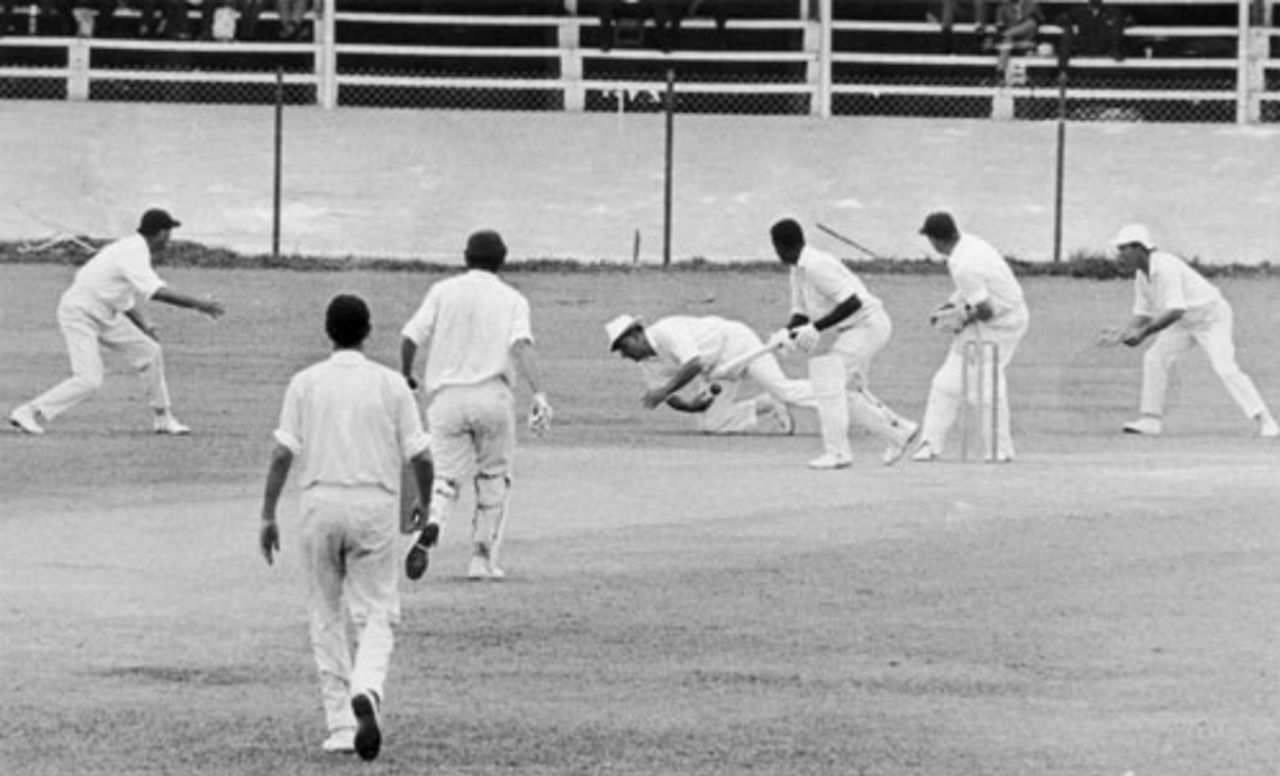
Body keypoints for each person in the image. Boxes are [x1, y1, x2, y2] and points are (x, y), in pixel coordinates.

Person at [259, 294, 435, 761]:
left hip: (319, 502)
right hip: (374, 504)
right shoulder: (391, 383)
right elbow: (421, 454)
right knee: (377, 612)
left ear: (327, 331)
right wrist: (424, 506)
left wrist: (267, 514)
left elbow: (282, 453)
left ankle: (339, 724)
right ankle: (368, 687)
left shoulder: (305, 382)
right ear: (368, 330)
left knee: (325, 612)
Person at [399, 230, 552, 582]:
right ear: (502, 260)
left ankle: (434, 522)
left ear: (465, 257)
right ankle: (482, 559)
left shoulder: (442, 291)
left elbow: (410, 337)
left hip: (446, 399)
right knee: (493, 476)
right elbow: (522, 346)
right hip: (492, 397)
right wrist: (539, 392)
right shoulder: (513, 299)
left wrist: (405, 375)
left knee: (445, 477)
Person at [8, 208, 225, 436]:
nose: (169, 239)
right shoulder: (134, 252)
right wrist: (200, 304)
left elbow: (121, 296)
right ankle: (29, 412)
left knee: (149, 351)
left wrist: (145, 325)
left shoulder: (133, 249)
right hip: (79, 313)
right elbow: (157, 292)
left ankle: (164, 419)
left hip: (105, 312)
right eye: (169, 232)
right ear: (161, 233)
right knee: (89, 379)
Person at [1097, 224, 1279, 439]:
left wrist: (1143, 334)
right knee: (1154, 357)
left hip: (1211, 318)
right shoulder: (1141, 276)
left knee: (1225, 367)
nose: (1119, 255)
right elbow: (1143, 313)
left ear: (1139, 248)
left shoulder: (1166, 267)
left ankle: (1266, 421)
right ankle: (1150, 420)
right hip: (1183, 324)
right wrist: (1122, 334)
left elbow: (1175, 309)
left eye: (1123, 249)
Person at [768, 218, 919, 470]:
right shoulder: (798, 270)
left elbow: (852, 302)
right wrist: (786, 333)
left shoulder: (816, 266)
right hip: (854, 329)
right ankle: (898, 432)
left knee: (826, 378)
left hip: (869, 325)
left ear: (781, 246)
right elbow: (801, 312)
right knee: (845, 391)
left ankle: (838, 453)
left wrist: (815, 328)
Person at [912, 212, 1029, 463]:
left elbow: (986, 311)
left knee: (985, 384)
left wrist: (959, 318)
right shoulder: (970, 243)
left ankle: (1000, 450)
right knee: (946, 383)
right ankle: (930, 444)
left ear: (935, 240)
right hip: (1001, 316)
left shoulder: (962, 265)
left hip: (1002, 324)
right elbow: (973, 289)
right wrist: (949, 305)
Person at [604, 313, 809, 435]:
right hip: (715, 371)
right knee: (712, 424)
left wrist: (664, 391)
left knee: (784, 389)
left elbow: (694, 363)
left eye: (623, 345)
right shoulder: (646, 362)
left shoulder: (666, 330)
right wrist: (689, 407)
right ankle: (769, 404)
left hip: (736, 343)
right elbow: (666, 395)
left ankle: (833, 397)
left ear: (637, 334)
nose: (624, 354)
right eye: (619, 350)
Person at [985, 0, 1042, 74]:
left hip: (1027, 39)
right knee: (1006, 41)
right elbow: (999, 26)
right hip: (1012, 41)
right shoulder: (1002, 7)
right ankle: (1000, 73)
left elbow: (1040, 20)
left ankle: (999, 73)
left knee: (1031, 23)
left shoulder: (1031, 4)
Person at [1058, 0, 1126, 61]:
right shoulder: (1078, 12)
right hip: (1085, 45)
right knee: (1068, 31)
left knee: (1115, 25)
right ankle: (1063, 67)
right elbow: (1063, 20)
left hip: (1103, 46)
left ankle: (1115, 50)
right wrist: (1073, 26)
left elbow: (1124, 22)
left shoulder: (1112, 12)